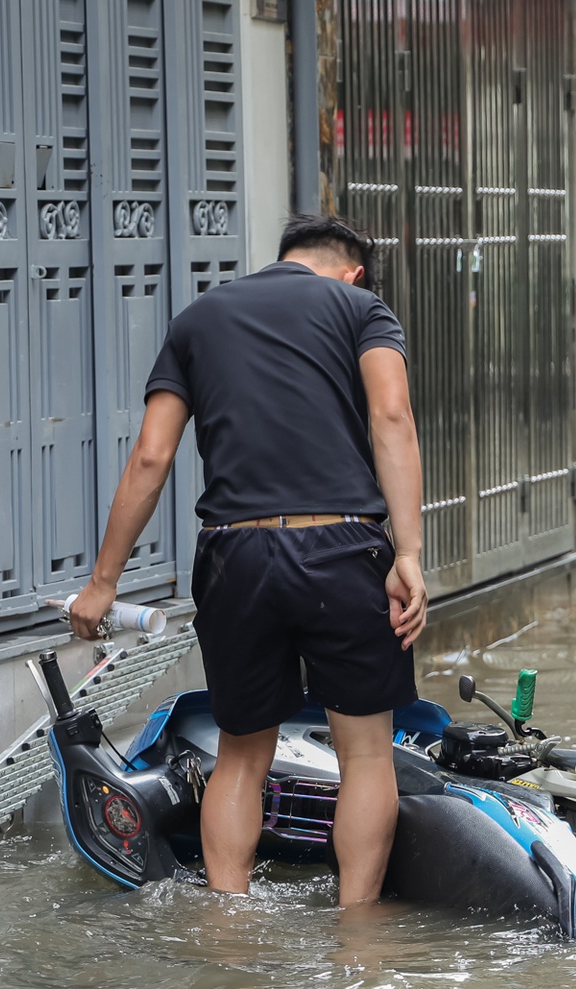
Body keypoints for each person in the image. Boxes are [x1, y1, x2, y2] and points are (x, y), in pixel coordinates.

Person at [70, 213, 428, 903]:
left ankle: (226, 928)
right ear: (353, 271)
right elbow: (392, 418)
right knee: (365, 753)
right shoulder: (364, 309)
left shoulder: (198, 319)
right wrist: (407, 552)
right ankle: (359, 937)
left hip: (235, 553)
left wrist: (102, 585)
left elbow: (151, 456)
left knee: (240, 753)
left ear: (285, 257)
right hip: (342, 545)